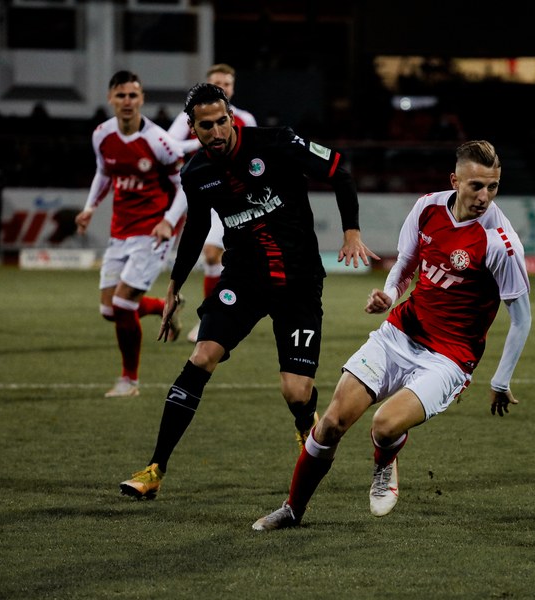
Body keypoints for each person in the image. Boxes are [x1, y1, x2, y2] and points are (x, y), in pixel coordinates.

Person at [252, 140, 532, 531]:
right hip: (399, 333)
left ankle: (385, 461)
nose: (484, 196)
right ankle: (292, 509)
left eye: (493, 186)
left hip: (448, 359)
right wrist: (388, 295)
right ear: (455, 181)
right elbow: (405, 265)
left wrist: (500, 381)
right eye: (476, 186)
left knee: (383, 426)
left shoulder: (501, 242)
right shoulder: (428, 208)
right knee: (331, 423)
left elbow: (521, 318)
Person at [118, 83, 379, 499]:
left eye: (222, 121)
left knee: (295, 390)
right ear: (192, 128)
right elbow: (196, 229)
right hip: (243, 279)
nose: (217, 132)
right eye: (206, 126)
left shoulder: (276, 142)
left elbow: (339, 172)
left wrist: (351, 232)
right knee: (202, 357)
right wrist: (173, 286)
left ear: (231, 117)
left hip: (299, 282)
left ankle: (304, 424)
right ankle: (154, 470)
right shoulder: (196, 173)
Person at [75, 71, 187, 398]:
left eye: (133, 95)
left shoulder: (159, 141)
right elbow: (103, 173)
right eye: (121, 95)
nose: (127, 101)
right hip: (120, 231)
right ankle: (165, 306)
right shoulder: (102, 135)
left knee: (123, 304)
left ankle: (129, 381)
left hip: (153, 231)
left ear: (142, 99)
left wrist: (168, 222)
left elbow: (185, 186)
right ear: (110, 98)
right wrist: (89, 208)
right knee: (109, 310)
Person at [167, 63, 258, 343]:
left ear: (233, 88)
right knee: (210, 256)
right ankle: (212, 319)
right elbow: (168, 145)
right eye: (217, 84)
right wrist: (199, 142)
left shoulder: (244, 118)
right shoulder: (190, 118)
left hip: (237, 198)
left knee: (229, 259)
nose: (223, 88)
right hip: (207, 194)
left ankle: (222, 316)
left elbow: (255, 151)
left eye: (227, 84)